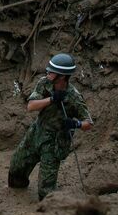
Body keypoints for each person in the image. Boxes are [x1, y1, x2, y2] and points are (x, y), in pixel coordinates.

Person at [7, 53, 93, 200]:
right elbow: (31, 106)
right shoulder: (44, 83)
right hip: (36, 132)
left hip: (54, 142)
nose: (48, 72)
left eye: (52, 71)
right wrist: (52, 99)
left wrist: (75, 124)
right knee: (16, 173)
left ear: (62, 76)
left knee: (45, 193)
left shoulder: (74, 97)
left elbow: (89, 123)